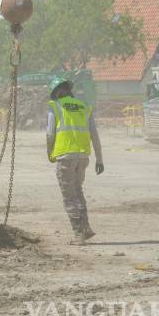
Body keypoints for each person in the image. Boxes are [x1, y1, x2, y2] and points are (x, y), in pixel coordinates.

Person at [45, 77, 104, 245]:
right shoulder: (84, 107)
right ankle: (86, 228)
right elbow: (94, 135)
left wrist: (50, 153)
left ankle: (79, 234)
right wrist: (99, 159)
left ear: (57, 92)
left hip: (65, 157)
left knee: (69, 196)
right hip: (83, 157)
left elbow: (50, 134)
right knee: (78, 191)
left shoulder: (55, 106)